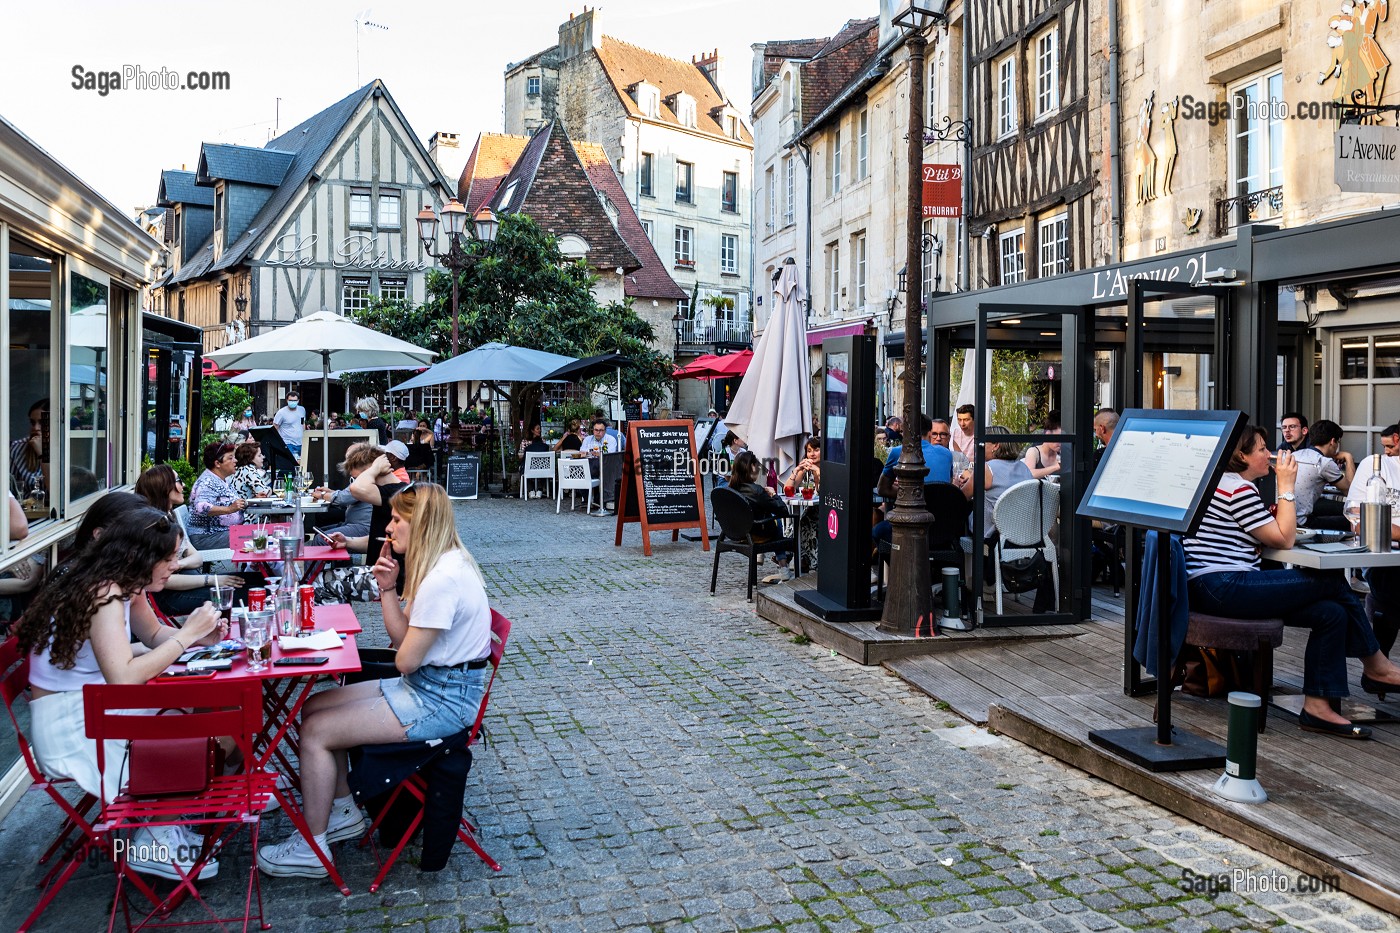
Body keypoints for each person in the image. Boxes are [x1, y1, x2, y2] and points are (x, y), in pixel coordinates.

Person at [257, 483, 492, 878]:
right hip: (433, 686)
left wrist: (393, 597)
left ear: (420, 524)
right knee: (313, 707)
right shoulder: (441, 564)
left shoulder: (441, 579)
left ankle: (312, 848)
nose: (389, 527)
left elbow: (404, 661)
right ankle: (343, 810)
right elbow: (405, 643)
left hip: (441, 701)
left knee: (317, 732)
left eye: (397, 520)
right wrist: (386, 588)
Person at [15, 506, 225, 879]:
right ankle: (153, 837)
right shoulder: (104, 592)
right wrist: (186, 636)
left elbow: (147, 642)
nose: (176, 565)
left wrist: (196, 641)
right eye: (169, 557)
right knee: (189, 722)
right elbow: (123, 679)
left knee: (200, 705)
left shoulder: (119, 584)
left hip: (91, 707)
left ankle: (163, 821)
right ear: (139, 556)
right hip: (73, 729)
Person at [1184, 428, 1400, 737]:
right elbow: (1285, 537)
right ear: (1242, 456)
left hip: (1212, 586)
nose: (1270, 453)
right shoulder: (1238, 489)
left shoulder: (1222, 485)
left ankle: (1317, 706)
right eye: (1261, 449)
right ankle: (1377, 665)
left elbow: (1262, 534)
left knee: (1331, 612)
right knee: (1331, 582)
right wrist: (1286, 484)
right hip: (1223, 585)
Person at [135, 464, 244, 615]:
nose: (184, 484)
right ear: (164, 487)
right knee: (245, 592)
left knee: (257, 581)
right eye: (178, 480)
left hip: (191, 583)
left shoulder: (169, 517)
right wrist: (212, 580)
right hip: (173, 597)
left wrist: (178, 564)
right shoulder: (153, 526)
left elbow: (197, 558)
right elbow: (162, 579)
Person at [323, 451, 408, 592]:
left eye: (358, 478)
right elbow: (379, 540)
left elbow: (355, 489)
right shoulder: (390, 493)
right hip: (378, 573)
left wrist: (374, 469)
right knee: (321, 581)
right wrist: (347, 542)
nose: (355, 482)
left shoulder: (395, 494)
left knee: (319, 584)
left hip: (388, 578)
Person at [726, 451, 793, 584]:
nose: (759, 468)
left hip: (736, 534)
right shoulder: (756, 491)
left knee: (772, 519)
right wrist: (774, 495)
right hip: (757, 535)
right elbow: (783, 511)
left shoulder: (729, 489)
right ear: (751, 467)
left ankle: (764, 558)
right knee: (777, 520)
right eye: (757, 465)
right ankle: (784, 567)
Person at [956, 426, 1033, 537]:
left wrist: (956, 483)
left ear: (996, 445)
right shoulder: (1023, 467)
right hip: (1024, 530)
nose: (977, 446)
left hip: (994, 532)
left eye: (982, 443)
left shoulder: (985, 468)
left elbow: (962, 497)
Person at [1293, 419, 1354, 530]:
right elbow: (1350, 491)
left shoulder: (1295, 455)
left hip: (1286, 516)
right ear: (1332, 441)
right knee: (1354, 521)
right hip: (1302, 522)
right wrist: (1348, 458)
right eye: (1338, 443)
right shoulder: (1323, 462)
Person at [187, 442, 247, 550]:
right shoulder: (208, 481)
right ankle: (254, 567)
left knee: (260, 533)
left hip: (220, 533)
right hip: (207, 537)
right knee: (257, 537)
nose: (235, 461)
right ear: (217, 463)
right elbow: (200, 507)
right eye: (230, 458)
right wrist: (229, 509)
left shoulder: (221, 479)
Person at [312, 443, 377, 540]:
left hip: (363, 528)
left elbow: (342, 499)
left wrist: (322, 495)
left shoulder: (365, 479)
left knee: (320, 539)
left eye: (350, 462)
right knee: (320, 532)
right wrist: (330, 492)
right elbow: (349, 495)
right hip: (354, 523)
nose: (347, 465)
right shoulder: (364, 477)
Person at [11, 398, 48, 507]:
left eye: (42, 423)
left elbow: (55, 490)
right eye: (33, 422)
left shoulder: (64, 449)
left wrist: (43, 454)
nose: (35, 428)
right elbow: (10, 488)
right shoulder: (18, 448)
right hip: (27, 514)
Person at [1023, 412, 1063, 480]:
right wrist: (1056, 467)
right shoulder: (1034, 452)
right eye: (1058, 438)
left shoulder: (1062, 454)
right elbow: (1029, 474)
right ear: (1048, 434)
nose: (1061, 443)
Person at [274, 391, 306, 457]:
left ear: (298, 401)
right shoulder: (281, 412)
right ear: (287, 400)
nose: (292, 402)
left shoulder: (302, 410)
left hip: (301, 442)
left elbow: (302, 423)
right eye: (290, 400)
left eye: (295, 400)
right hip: (288, 443)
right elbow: (275, 428)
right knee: (291, 464)